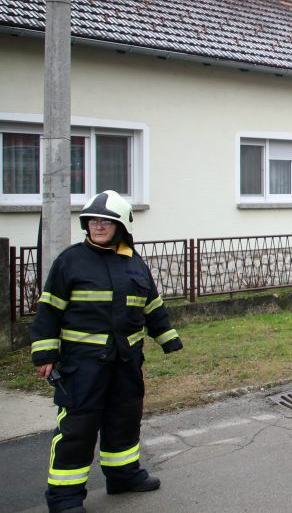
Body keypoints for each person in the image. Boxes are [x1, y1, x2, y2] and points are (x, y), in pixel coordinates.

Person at [30, 190, 183, 513]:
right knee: (77, 429)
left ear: (122, 226)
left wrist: (167, 337)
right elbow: (49, 310)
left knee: (125, 419)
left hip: (126, 361)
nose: (98, 226)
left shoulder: (133, 262)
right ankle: (65, 498)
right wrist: (44, 354)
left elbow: (151, 304)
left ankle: (123, 475)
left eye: (106, 221)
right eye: (93, 221)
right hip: (81, 366)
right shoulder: (70, 261)